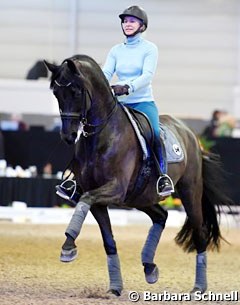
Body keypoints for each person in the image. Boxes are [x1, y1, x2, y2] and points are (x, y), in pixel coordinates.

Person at [56, 5, 174, 203]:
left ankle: (162, 177)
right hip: (118, 104)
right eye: (125, 21)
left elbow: (147, 76)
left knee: (153, 132)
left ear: (142, 26)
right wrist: (98, 86)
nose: (127, 24)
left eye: (132, 21)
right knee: (87, 135)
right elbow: (106, 74)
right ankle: (74, 180)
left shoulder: (150, 49)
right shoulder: (116, 50)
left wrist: (127, 87)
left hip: (142, 102)